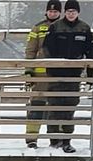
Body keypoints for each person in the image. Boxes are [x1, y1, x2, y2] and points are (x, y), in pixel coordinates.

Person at [43, 0, 93, 154]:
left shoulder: (84, 28)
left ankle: (66, 140)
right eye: (69, 11)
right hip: (56, 74)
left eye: (74, 11)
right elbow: (46, 48)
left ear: (78, 13)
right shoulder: (56, 27)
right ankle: (53, 140)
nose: (71, 14)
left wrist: (91, 75)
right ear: (65, 12)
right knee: (54, 106)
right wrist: (52, 66)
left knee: (70, 107)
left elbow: (91, 52)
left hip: (74, 75)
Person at [25, 1, 63, 149]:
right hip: (40, 75)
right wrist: (28, 71)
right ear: (46, 12)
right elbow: (30, 50)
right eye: (50, 11)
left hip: (58, 74)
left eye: (55, 11)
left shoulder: (64, 27)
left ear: (60, 12)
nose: (53, 13)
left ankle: (55, 138)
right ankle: (32, 138)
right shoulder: (38, 27)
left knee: (56, 107)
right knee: (36, 106)